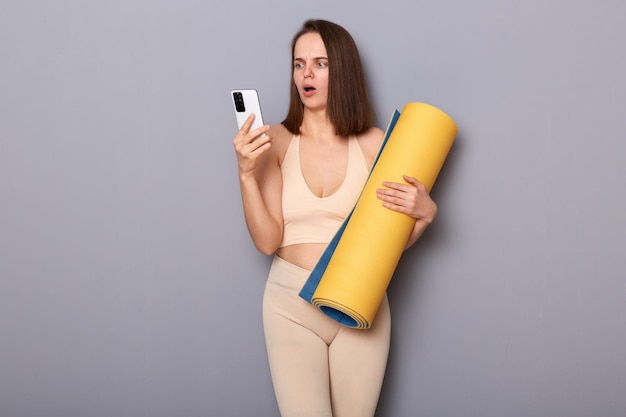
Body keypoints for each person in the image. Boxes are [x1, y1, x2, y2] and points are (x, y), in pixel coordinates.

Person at [232, 19, 438, 417]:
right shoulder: (273, 141)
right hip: (289, 305)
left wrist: (424, 216)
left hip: (359, 299)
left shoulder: (377, 142)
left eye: (321, 64)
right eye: (299, 64)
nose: (306, 74)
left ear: (342, 70)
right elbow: (267, 241)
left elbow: (387, 240)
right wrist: (245, 173)